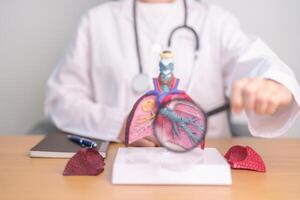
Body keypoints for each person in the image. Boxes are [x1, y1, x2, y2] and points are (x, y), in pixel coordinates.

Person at [44, 0, 300, 147]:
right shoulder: (96, 22)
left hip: (203, 165)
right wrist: (119, 126)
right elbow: (61, 99)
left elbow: (255, 60)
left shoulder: (216, 21)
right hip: (118, 163)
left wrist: (273, 83)